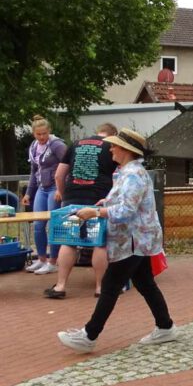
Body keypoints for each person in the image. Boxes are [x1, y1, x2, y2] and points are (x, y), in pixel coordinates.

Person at [57, 128, 177, 353]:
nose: (110, 148)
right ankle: (165, 326)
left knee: (111, 286)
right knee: (145, 284)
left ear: (126, 150)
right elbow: (126, 203)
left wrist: (95, 212)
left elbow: (127, 211)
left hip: (133, 239)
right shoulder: (129, 172)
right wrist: (106, 202)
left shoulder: (132, 174)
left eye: (114, 145)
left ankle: (89, 335)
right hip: (137, 239)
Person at [44, 123, 119, 299]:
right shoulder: (112, 147)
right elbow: (117, 177)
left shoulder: (76, 144)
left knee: (69, 240)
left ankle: (60, 286)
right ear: (113, 134)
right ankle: (101, 288)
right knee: (100, 242)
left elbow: (59, 175)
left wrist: (64, 196)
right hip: (99, 197)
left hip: (72, 197)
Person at [22, 116, 67, 275]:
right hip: (42, 187)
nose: (42, 137)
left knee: (53, 224)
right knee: (38, 225)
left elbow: (68, 164)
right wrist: (28, 193)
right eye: (38, 134)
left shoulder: (57, 145)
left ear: (49, 131)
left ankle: (53, 261)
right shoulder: (34, 146)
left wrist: (61, 189)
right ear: (33, 133)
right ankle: (41, 259)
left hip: (55, 187)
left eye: (44, 133)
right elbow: (34, 171)